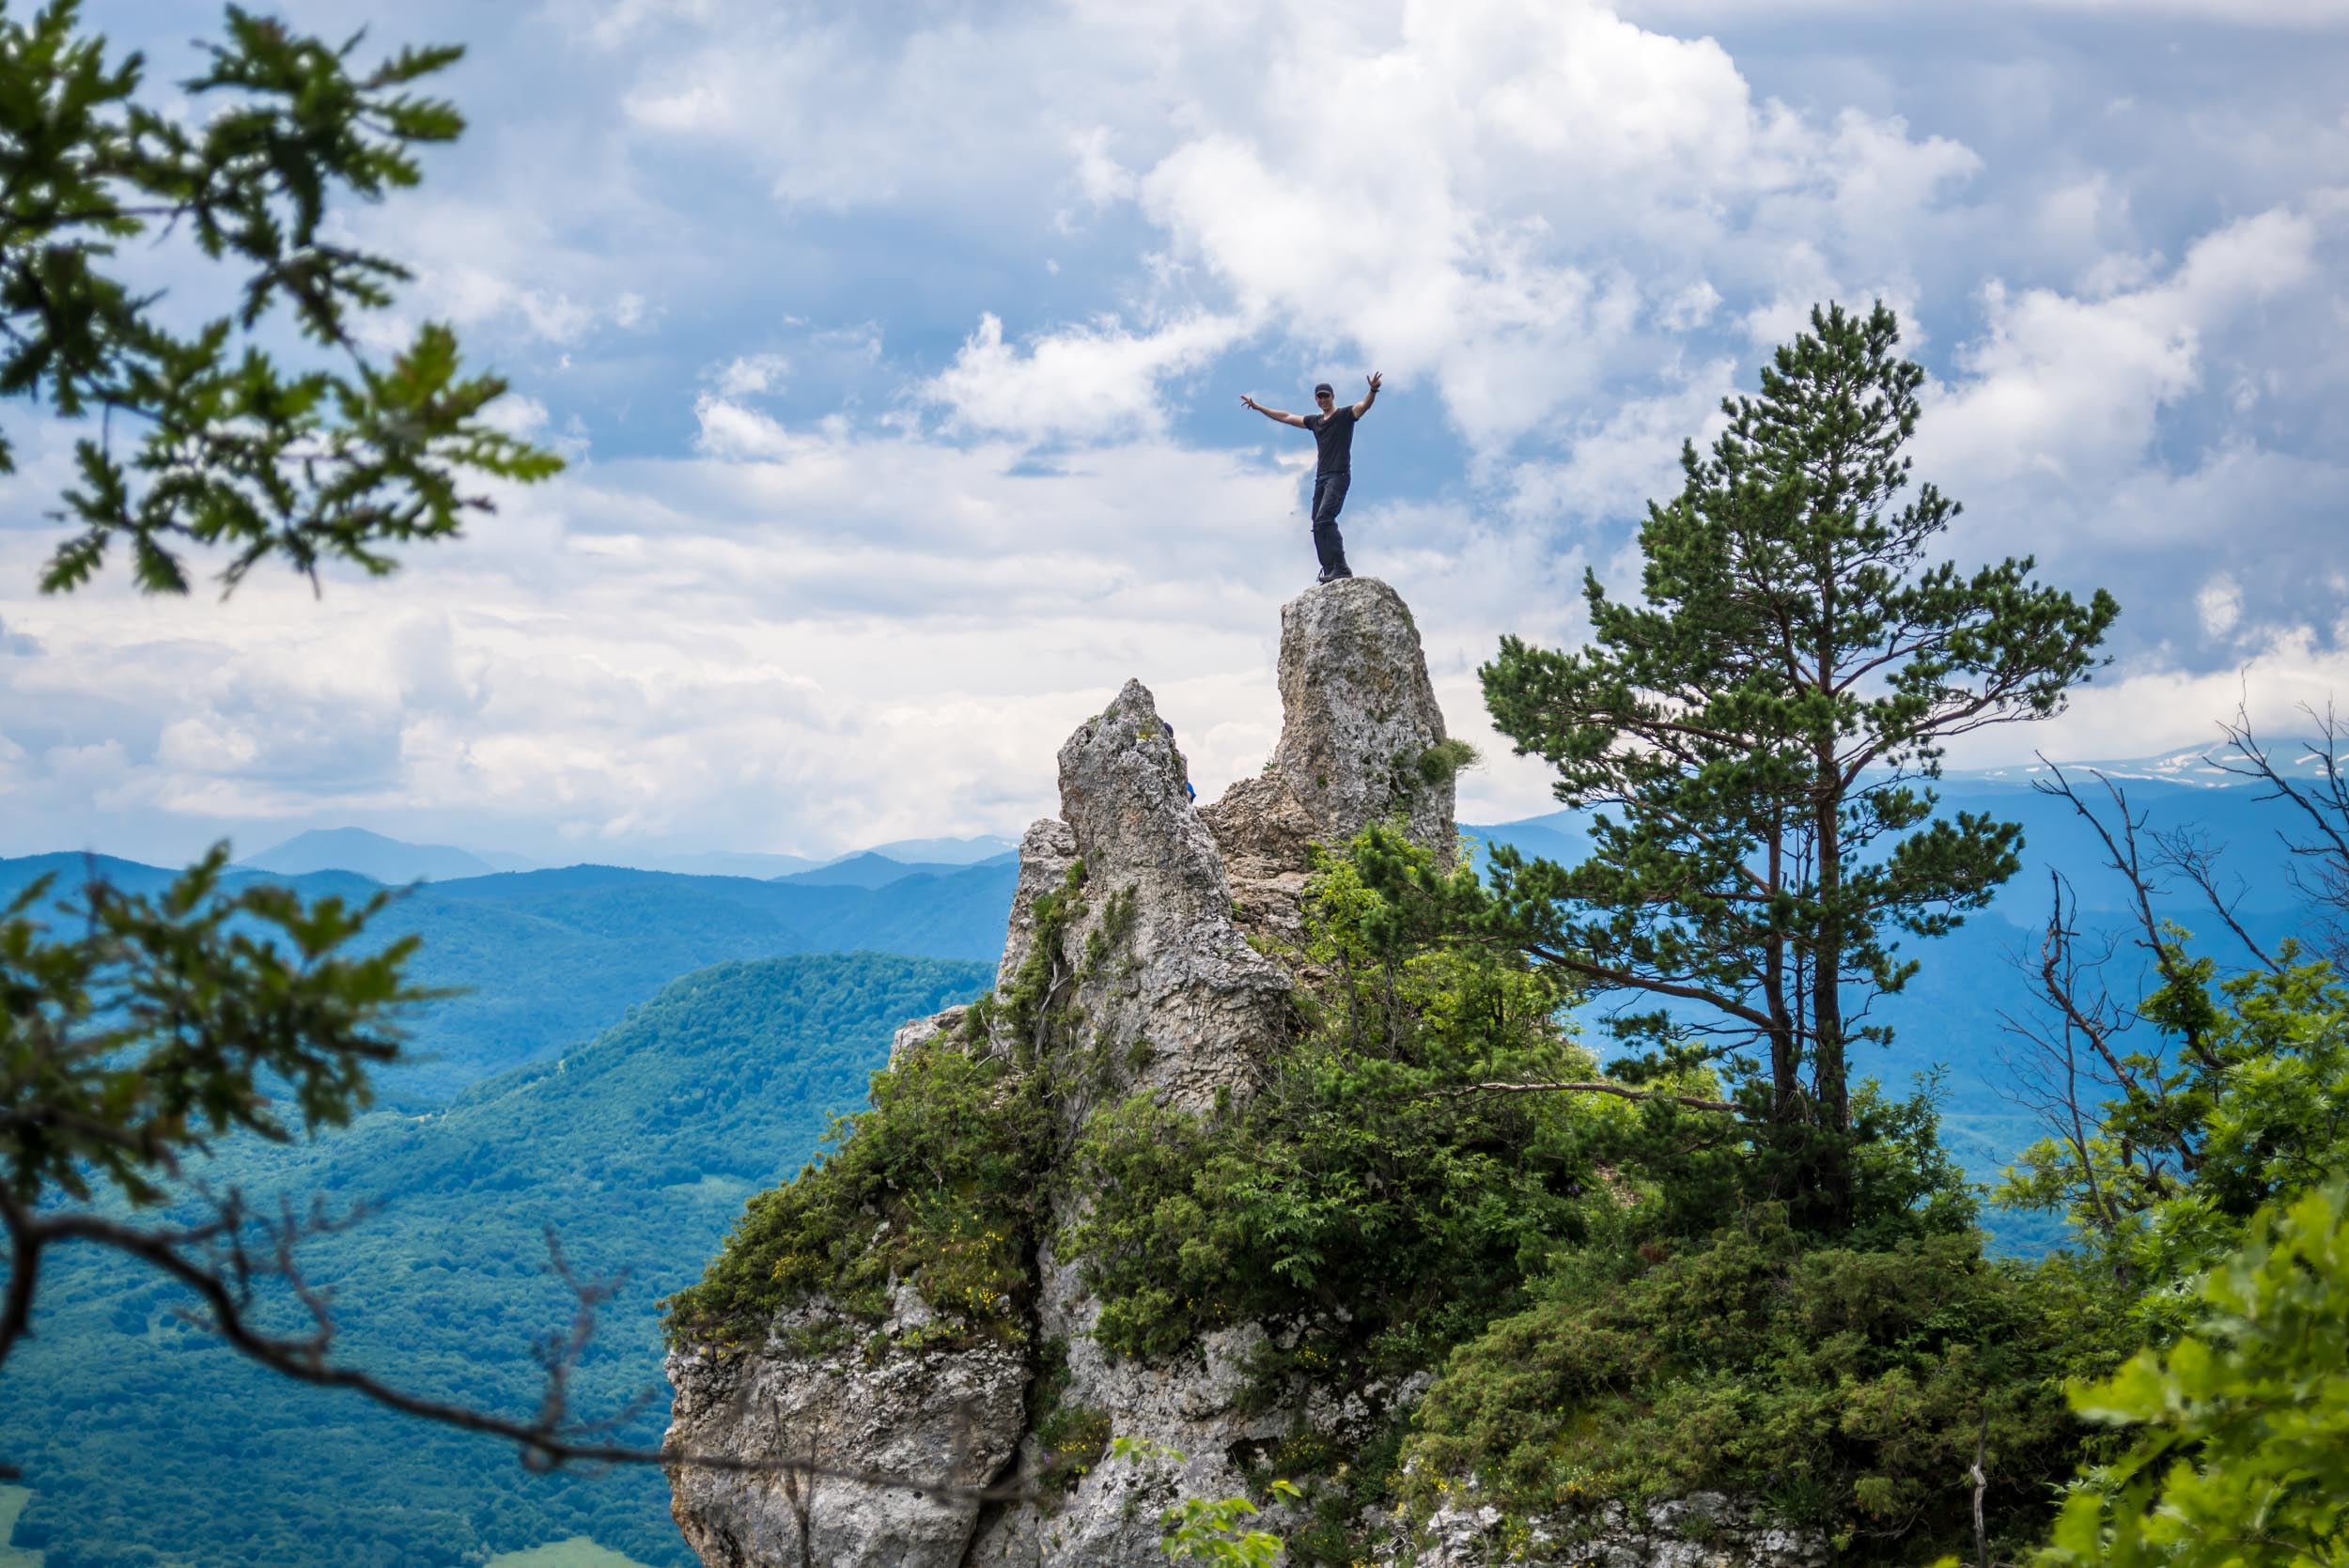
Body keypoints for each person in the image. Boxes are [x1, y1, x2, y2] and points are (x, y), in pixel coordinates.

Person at [1241, 372, 1381, 583]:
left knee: (1326, 518)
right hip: (1321, 478)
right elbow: (1287, 417)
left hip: (1339, 475)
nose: (1323, 400)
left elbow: (1364, 406)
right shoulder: (1315, 421)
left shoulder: (1344, 415)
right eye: (1320, 397)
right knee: (1317, 525)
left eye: (1326, 396)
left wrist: (1372, 390)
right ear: (1316, 400)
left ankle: (1341, 568)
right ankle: (1329, 569)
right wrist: (1260, 408)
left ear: (1333, 397)